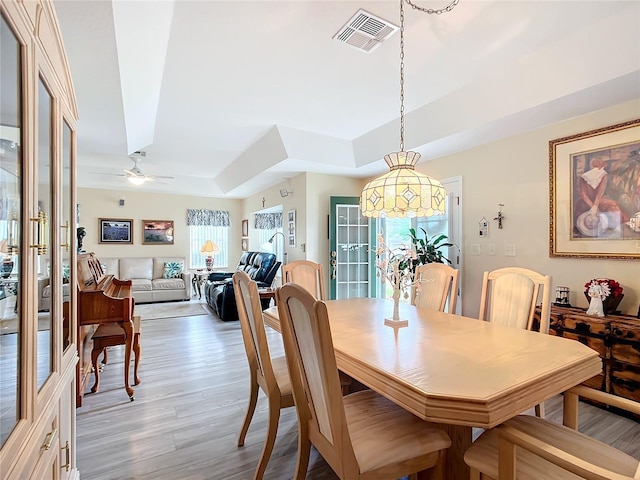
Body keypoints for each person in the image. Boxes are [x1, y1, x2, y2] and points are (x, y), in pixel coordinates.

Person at [574, 157, 627, 237]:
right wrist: (594, 206)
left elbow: (583, 195)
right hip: (598, 201)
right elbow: (600, 193)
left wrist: (592, 206)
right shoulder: (603, 174)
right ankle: (615, 228)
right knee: (613, 206)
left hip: (586, 201)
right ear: (602, 166)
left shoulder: (583, 176)